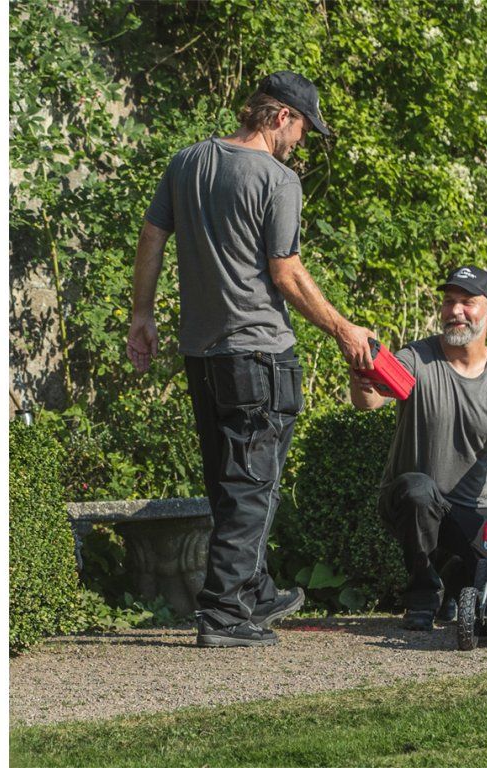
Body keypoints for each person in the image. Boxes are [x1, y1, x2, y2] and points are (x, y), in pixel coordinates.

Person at [127, 71, 374, 648]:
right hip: (258, 354)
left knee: (229, 479)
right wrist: (343, 329)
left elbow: (152, 236)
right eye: (304, 129)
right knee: (252, 484)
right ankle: (223, 613)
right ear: (283, 116)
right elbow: (285, 273)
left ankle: (254, 589)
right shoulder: (277, 179)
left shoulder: (188, 162)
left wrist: (142, 313)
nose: (301, 143)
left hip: (202, 353)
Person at [349, 266, 487, 631]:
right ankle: (422, 597)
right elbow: (370, 401)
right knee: (419, 491)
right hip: (410, 500)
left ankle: (453, 580)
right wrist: (360, 375)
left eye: (467, 302)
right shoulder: (416, 359)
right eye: (449, 301)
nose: (455, 311)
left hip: (472, 507)